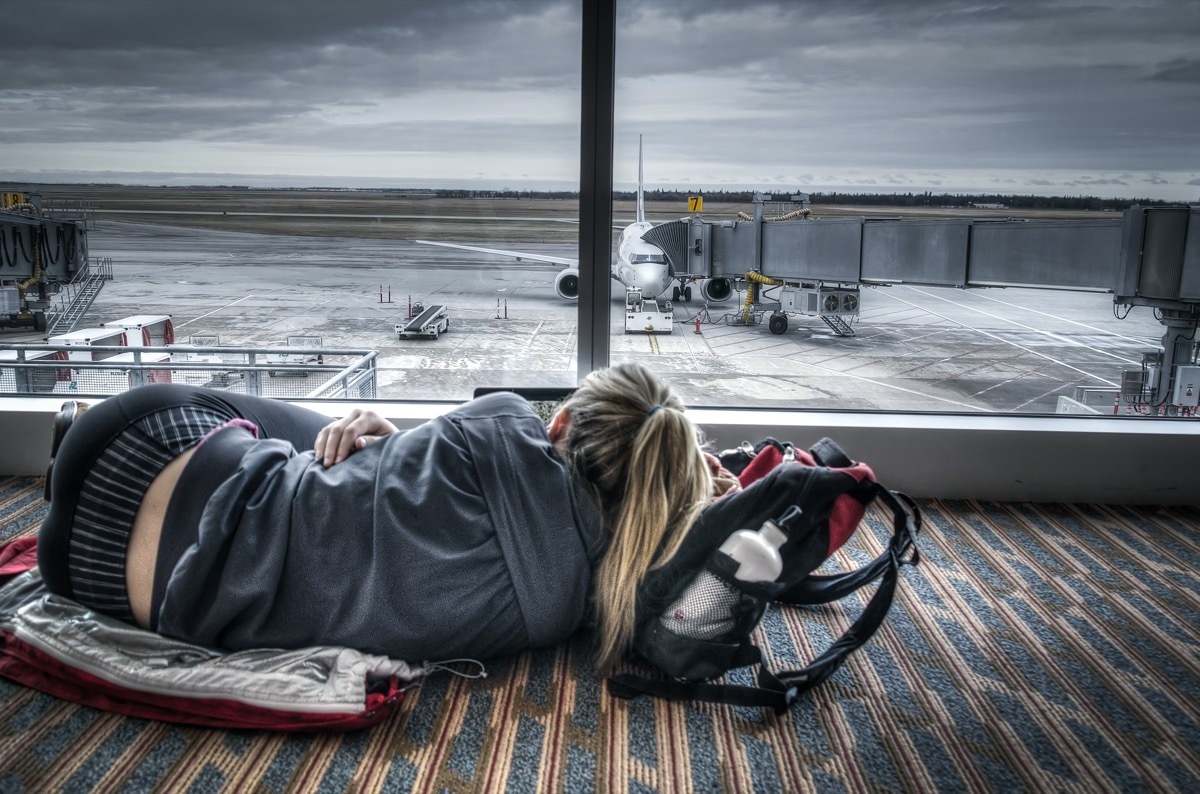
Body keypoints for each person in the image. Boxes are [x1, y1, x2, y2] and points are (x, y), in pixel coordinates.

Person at [38, 364, 734, 670]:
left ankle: (67, 430)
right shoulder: (573, 610)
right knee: (365, 464)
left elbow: (410, 487)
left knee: (328, 444)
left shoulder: (503, 422)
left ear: (559, 423)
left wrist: (390, 438)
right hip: (96, 581)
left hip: (128, 444)